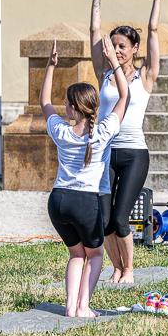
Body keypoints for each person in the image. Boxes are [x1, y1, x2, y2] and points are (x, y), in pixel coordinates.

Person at [41, 38, 129, 317]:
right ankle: (83, 306)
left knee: (76, 254)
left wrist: (50, 66)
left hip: (58, 201)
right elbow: (124, 97)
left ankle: (70, 306)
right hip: (85, 202)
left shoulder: (61, 131)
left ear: (72, 108)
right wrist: (114, 63)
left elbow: (44, 102)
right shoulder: (102, 132)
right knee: (95, 254)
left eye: (66, 103)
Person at [89, 0, 161, 285]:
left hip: (134, 154)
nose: (116, 50)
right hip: (106, 152)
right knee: (103, 218)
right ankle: (116, 268)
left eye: (122, 46)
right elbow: (94, 32)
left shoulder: (145, 77)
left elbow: (154, 31)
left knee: (120, 218)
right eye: (114, 45)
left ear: (134, 49)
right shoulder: (105, 74)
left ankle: (129, 269)